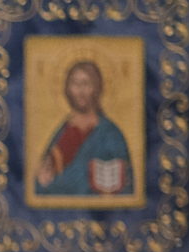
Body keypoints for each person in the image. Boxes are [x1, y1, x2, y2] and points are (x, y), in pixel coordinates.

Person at [33, 58, 135, 197]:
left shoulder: (110, 133)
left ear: (96, 88)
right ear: (67, 88)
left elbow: (126, 185)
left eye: (86, 83)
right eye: (75, 83)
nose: (80, 90)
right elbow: (41, 183)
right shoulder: (63, 131)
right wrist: (42, 180)